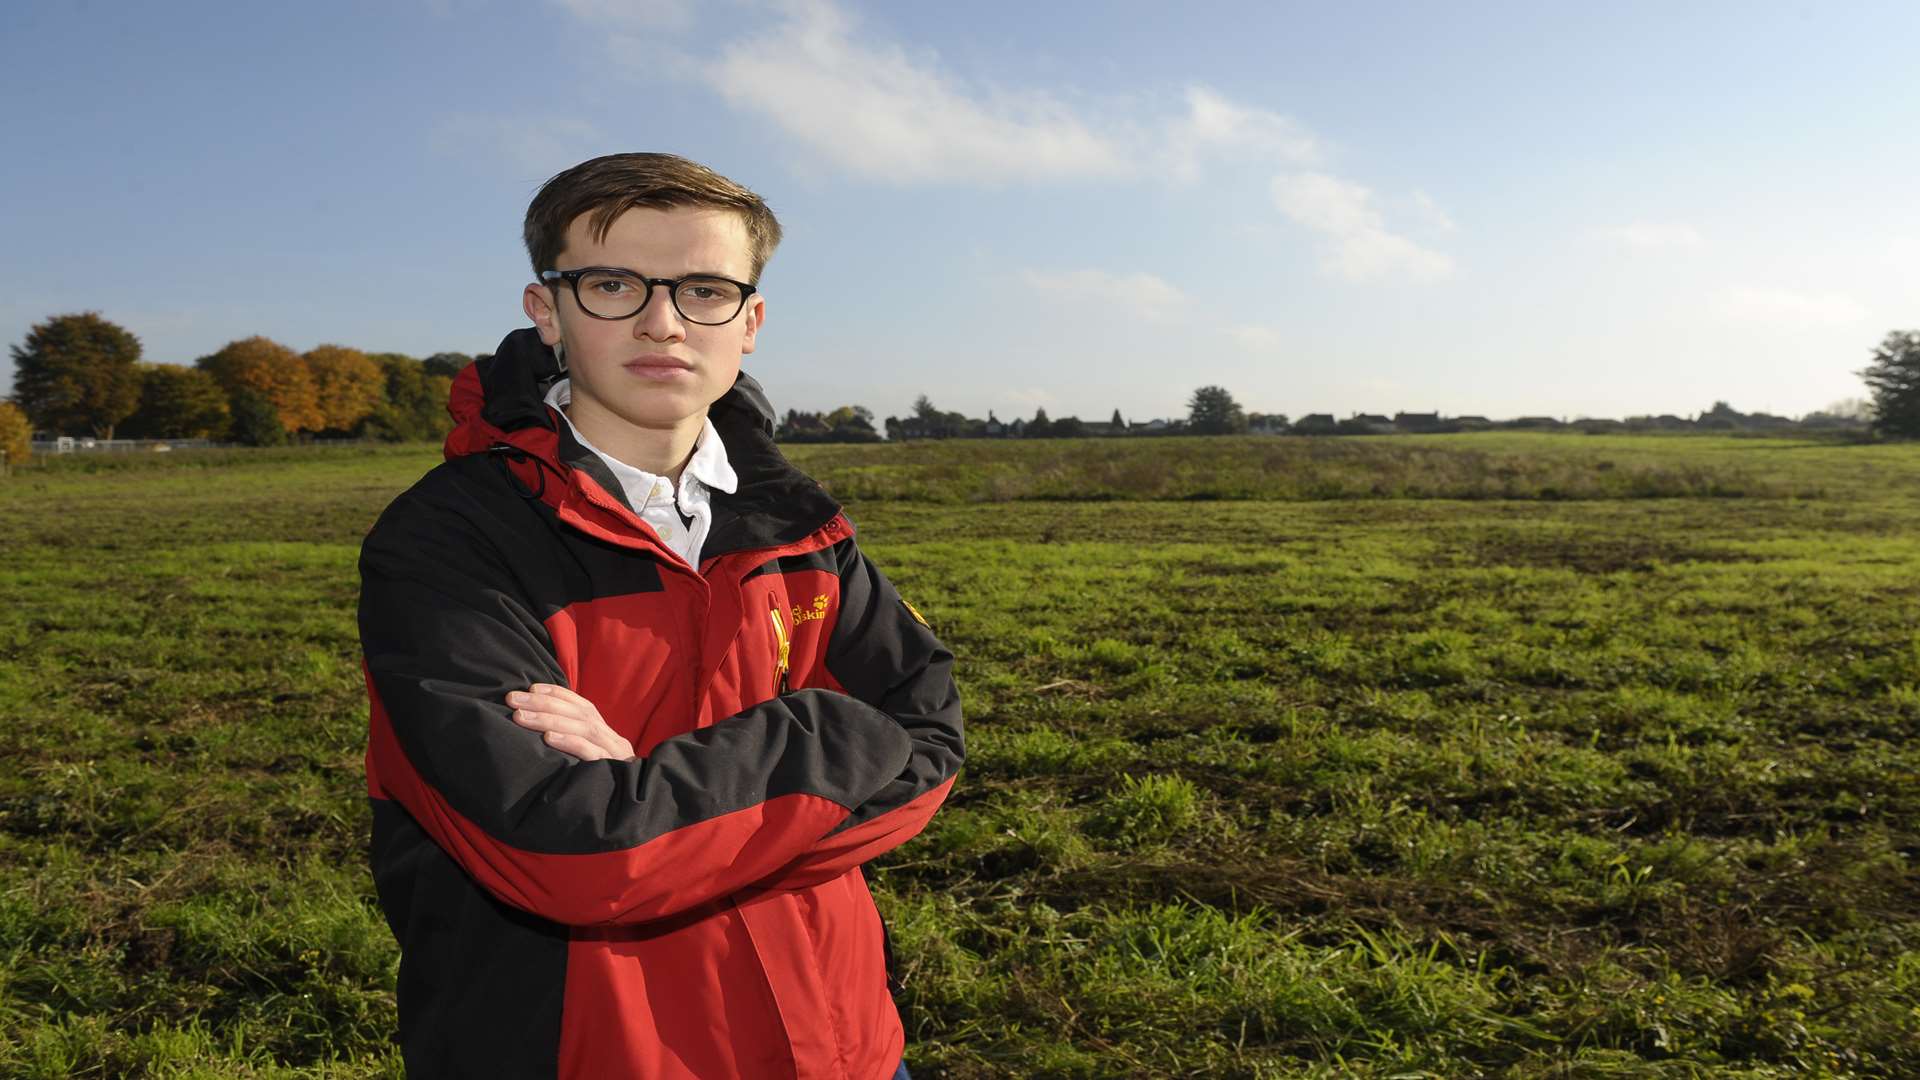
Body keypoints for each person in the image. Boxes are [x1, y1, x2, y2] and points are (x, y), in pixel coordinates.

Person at [358, 152, 962, 1080]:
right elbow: (572, 852)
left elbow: (934, 740)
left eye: (706, 290)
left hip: (841, 1044)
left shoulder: (800, 524)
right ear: (546, 310)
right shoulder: (447, 542)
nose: (662, 322)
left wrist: (648, 795)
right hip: (588, 1053)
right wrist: (830, 732)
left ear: (750, 321)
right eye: (612, 284)